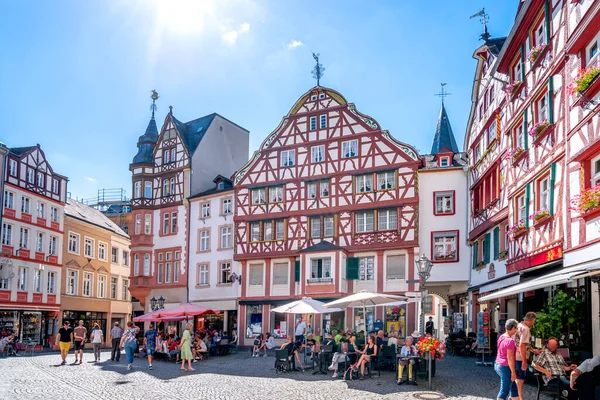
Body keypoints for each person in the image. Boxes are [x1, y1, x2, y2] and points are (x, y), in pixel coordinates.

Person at [514, 312, 540, 400]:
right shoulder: (526, 329)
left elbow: (520, 343)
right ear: (531, 320)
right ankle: (520, 398)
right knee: (520, 379)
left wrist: (532, 350)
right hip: (520, 357)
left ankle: (513, 396)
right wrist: (524, 361)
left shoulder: (518, 325)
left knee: (516, 378)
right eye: (534, 321)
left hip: (514, 355)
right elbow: (521, 345)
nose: (533, 323)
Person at [494, 319, 519, 400]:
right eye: (516, 328)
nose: (517, 330)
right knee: (504, 391)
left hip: (498, 364)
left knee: (513, 388)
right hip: (505, 367)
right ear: (513, 328)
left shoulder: (501, 337)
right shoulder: (510, 341)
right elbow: (510, 358)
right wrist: (513, 372)